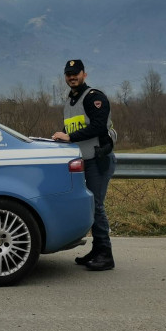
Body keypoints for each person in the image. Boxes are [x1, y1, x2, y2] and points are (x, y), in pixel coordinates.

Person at [51, 59, 116, 271]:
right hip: (81, 162)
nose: (72, 77)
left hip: (98, 160)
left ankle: (105, 254)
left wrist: (69, 137)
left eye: (76, 73)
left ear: (84, 74)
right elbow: (70, 129)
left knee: (96, 205)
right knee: (89, 205)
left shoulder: (94, 97)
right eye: (68, 74)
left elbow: (98, 126)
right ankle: (97, 250)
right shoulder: (70, 101)